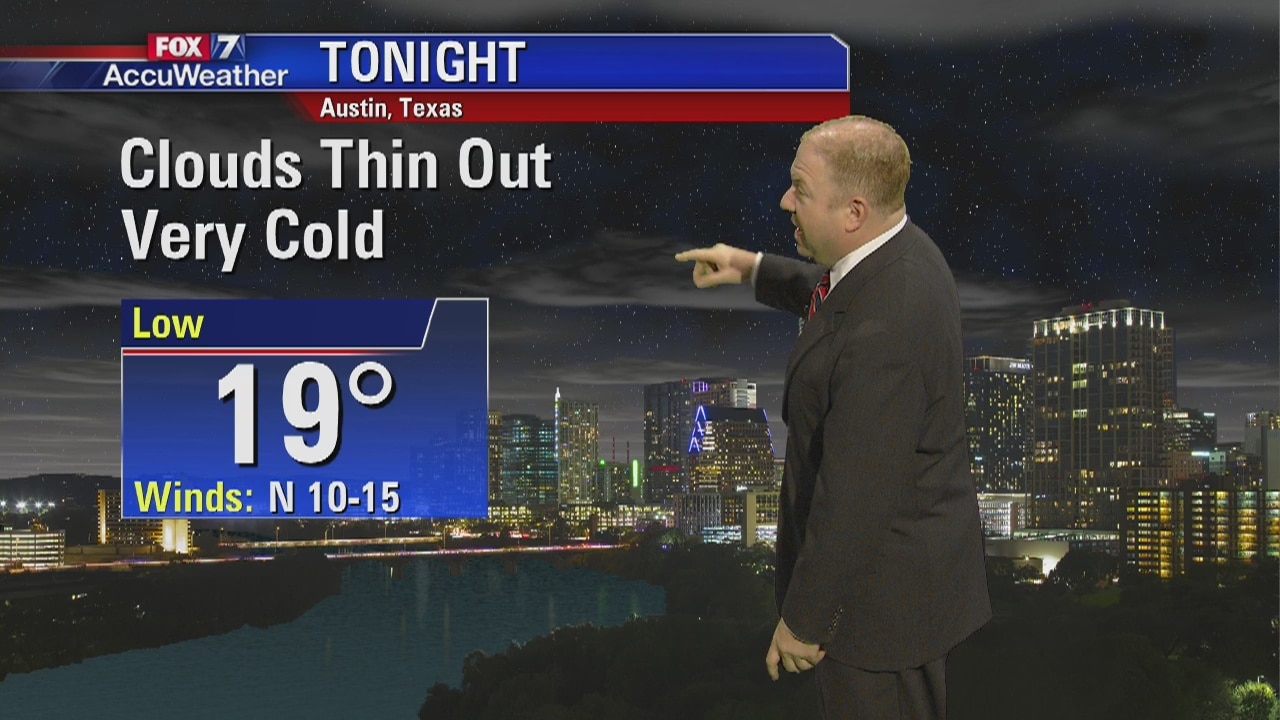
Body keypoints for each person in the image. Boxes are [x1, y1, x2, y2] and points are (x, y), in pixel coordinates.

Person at [675, 115, 991, 719]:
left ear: (853, 212)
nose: (784, 200)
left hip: (876, 614)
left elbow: (855, 494)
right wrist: (751, 267)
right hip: (906, 586)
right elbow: (839, 292)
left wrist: (805, 621)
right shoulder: (902, 253)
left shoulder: (888, 330)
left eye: (801, 188)